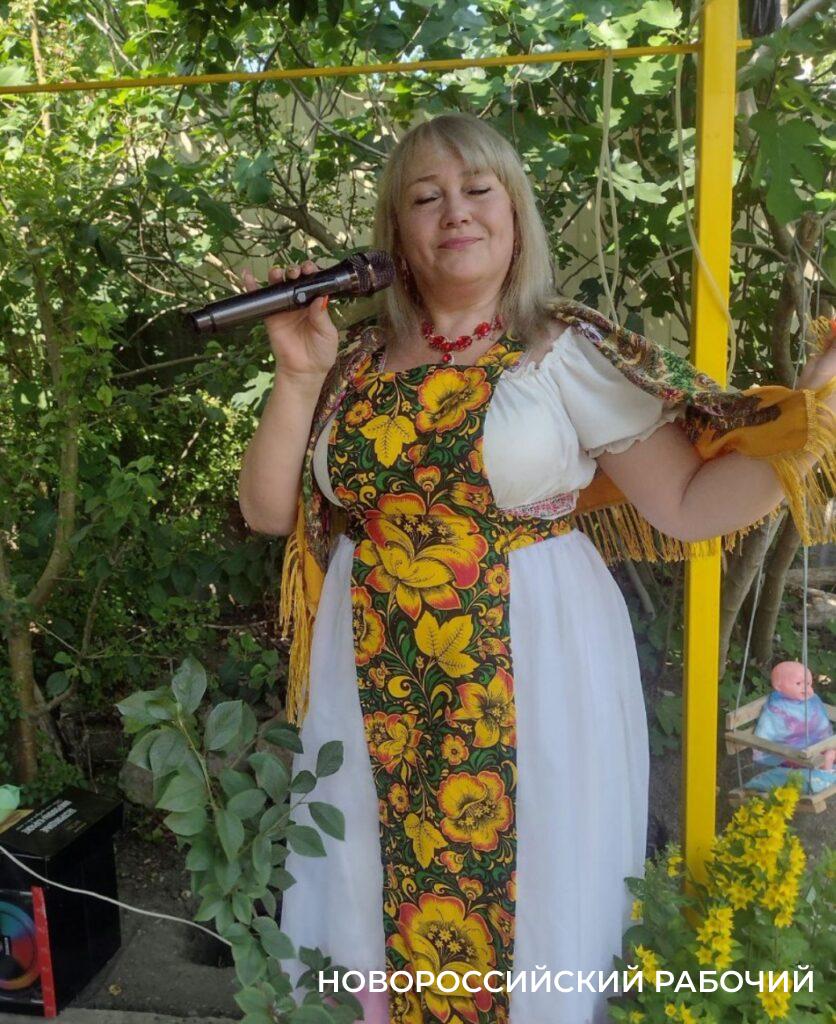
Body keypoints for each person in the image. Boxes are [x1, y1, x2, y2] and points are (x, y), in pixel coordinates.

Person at [237, 112, 836, 1024]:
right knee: (365, 869)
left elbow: (687, 505)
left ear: (514, 213)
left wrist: (820, 410)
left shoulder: (563, 350)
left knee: (534, 881)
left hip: (534, 662)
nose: (456, 212)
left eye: (478, 189)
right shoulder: (349, 360)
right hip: (370, 664)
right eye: (426, 197)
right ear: (396, 231)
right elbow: (268, 510)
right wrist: (294, 374)